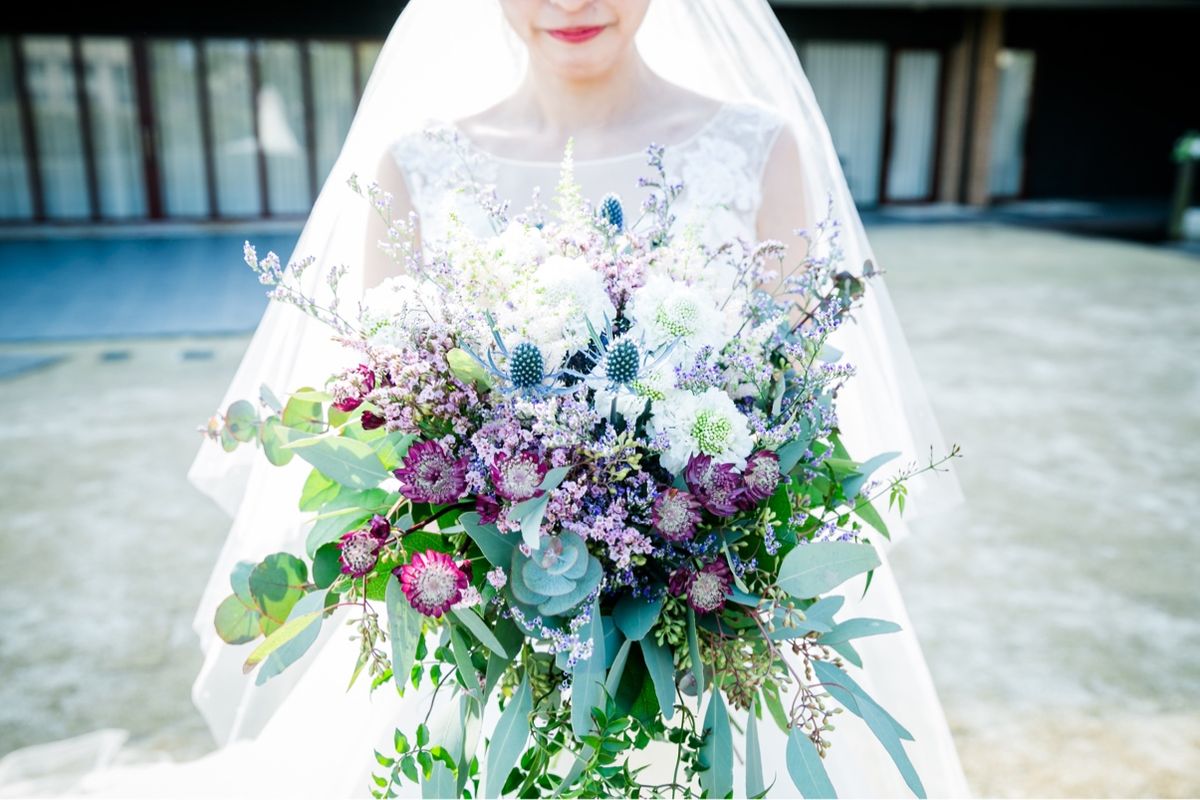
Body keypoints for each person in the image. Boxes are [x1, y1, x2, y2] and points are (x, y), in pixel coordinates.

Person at [4, 1, 968, 797]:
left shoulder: (757, 149)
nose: (572, 3)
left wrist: (681, 555)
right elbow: (384, 427)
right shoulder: (414, 167)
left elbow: (795, 419)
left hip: (703, 654)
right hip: (479, 658)